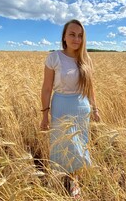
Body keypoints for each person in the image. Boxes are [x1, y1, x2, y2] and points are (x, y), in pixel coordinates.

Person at [40, 19, 100, 198]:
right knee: (62, 144)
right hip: (61, 106)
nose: (76, 39)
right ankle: (59, 177)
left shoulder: (85, 59)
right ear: (64, 37)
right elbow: (46, 88)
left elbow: (90, 87)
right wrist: (44, 115)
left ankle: (75, 180)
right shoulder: (54, 57)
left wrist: (95, 109)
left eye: (80, 35)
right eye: (72, 34)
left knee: (79, 145)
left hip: (82, 108)